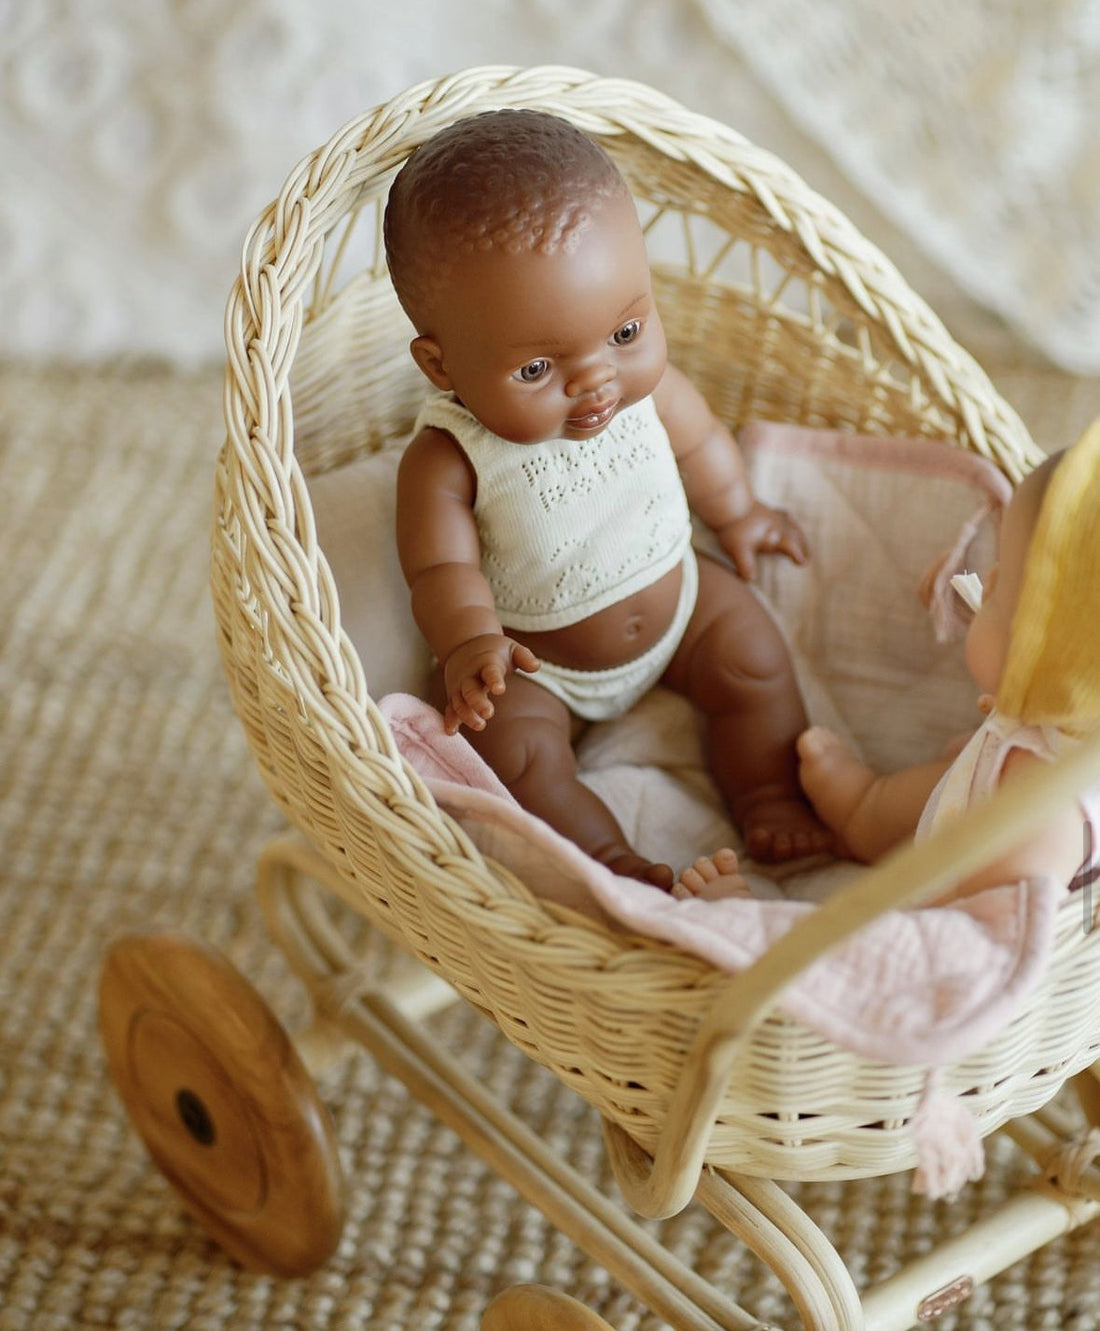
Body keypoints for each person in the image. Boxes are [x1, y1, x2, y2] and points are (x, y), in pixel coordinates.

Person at [384, 108, 831, 886]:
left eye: (625, 334)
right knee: (512, 752)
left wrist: (738, 513)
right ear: (441, 365)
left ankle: (772, 796)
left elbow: (701, 445)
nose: (598, 381)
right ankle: (608, 863)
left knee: (753, 655)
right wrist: (469, 644)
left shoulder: (646, 393)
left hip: (681, 606)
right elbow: (440, 570)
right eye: (536, 370)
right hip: (541, 663)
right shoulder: (449, 457)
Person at [676, 423, 1100, 904]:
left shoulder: (1038, 821)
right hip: (966, 813)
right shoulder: (1060, 723)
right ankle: (865, 811)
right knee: (953, 771)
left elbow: (968, 936)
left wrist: (751, 923)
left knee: (961, 778)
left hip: (934, 908)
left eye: (998, 592)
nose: (988, 581)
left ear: (1043, 663)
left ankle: (746, 916)